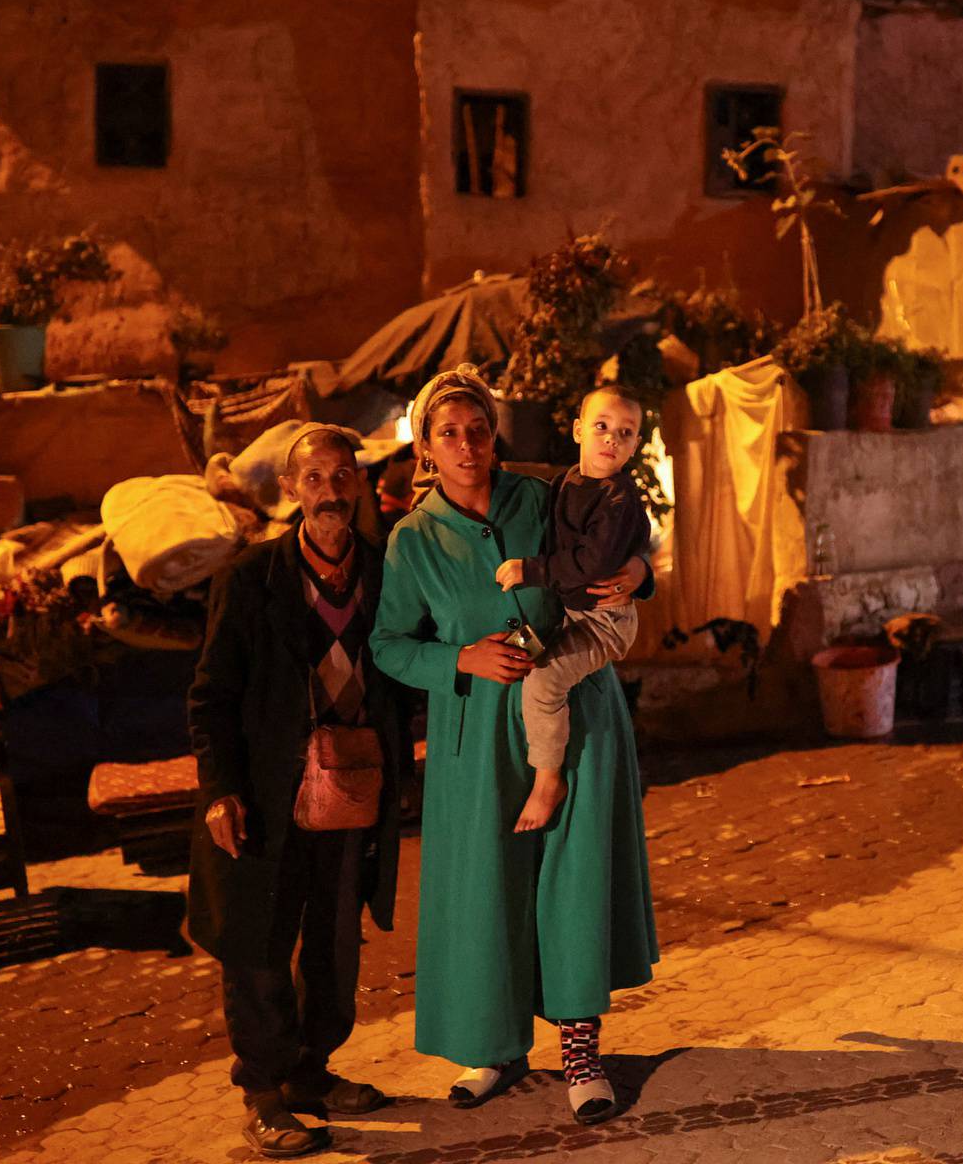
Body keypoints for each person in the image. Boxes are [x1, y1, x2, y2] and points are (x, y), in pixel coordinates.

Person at [371, 366, 658, 1128]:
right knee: (484, 894)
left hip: (574, 718)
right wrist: (458, 659)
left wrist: (641, 572)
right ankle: (494, 1046)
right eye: (448, 433)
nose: (467, 445)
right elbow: (389, 644)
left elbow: (615, 538)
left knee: (572, 882)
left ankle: (580, 1052)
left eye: (478, 428)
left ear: (495, 433)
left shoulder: (545, 496)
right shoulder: (412, 539)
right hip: (473, 738)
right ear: (425, 447)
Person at [186, 423, 404, 1159]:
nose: (331, 492)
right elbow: (211, 696)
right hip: (266, 798)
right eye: (314, 479)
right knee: (259, 942)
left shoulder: (382, 574)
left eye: (343, 476)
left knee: (336, 942)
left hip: (350, 794)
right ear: (290, 492)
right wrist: (221, 792)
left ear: (361, 483)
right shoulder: (249, 581)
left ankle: (313, 1071)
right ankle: (267, 1093)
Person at [493, 385, 650, 833]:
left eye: (625, 433)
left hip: (604, 621)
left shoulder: (618, 499)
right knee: (518, 650)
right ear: (579, 430)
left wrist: (532, 570)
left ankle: (548, 781)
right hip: (570, 611)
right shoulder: (566, 483)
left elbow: (591, 563)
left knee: (544, 681)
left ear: (635, 445)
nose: (611, 440)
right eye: (602, 427)